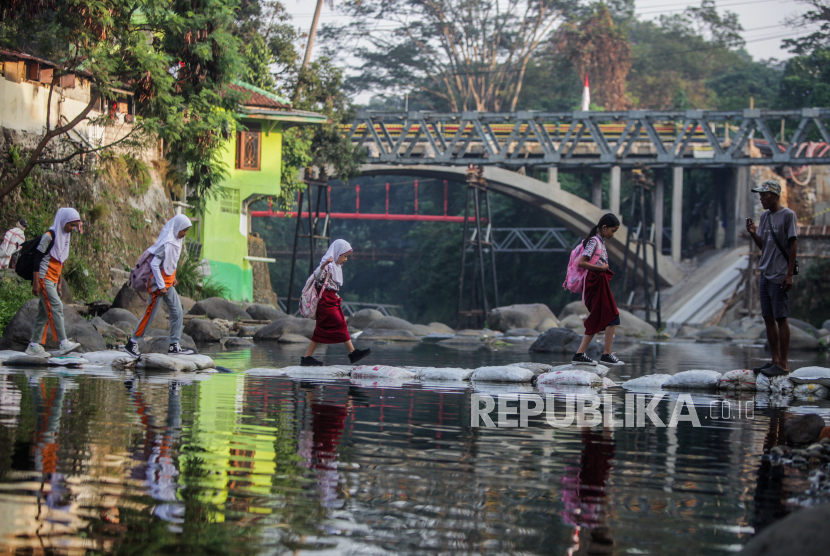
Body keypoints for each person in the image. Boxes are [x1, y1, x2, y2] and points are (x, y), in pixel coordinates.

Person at [746, 179, 798, 377]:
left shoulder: (788, 215)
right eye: (760, 195)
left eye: (764, 195)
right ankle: (774, 360)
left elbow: (793, 245)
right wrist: (753, 233)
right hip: (765, 273)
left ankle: (784, 364)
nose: (761, 199)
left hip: (779, 275)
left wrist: (789, 274)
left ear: (775, 196)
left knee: (781, 318)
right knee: (768, 318)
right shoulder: (765, 217)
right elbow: (763, 246)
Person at [124, 214, 194, 358]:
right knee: (150, 315)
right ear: (177, 228)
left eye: (186, 231)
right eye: (183, 230)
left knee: (177, 311)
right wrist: (161, 285)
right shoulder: (166, 243)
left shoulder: (177, 241)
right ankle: (132, 343)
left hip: (168, 284)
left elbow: (171, 262)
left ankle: (174, 345)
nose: (184, 234)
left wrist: (172, 278)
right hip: (158, 285)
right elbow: (155, 264)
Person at [301, 239, 371, 367]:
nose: (345, 259)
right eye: (344, 256)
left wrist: (336, 295)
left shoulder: (337, 267)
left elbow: (331, 286)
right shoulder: (328, 265)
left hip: (332, 300)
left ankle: (307, 358)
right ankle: (352, 352)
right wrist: (323, 266)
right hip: (326, 301)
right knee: (340, 323)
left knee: (324, 328)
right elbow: (317, 277)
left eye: (347, 257)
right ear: (337, 253)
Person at [25, 209, 82, 357]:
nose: (73, 228)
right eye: (71, 225)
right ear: (63, 221)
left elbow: (60, 261)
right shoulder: (49, 236)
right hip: (44, 278)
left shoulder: (65, 238)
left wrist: (59, 284)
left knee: (43, 314)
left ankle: (34, 345)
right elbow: (37, 258)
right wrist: (36, 283)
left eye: (75, 226)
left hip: (53, 279)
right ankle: (63, 342)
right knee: (56, 306)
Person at [571, 213, 625, 367]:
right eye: (613, 231)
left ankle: (580, 354)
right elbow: (581, 262)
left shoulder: (599, 241)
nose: (613, 234)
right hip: (594, 281)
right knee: (612, 315)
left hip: (598, 281)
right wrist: (601, 269)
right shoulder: (594, 241)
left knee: (604, 317)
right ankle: (606, 354)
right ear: (604, 227)